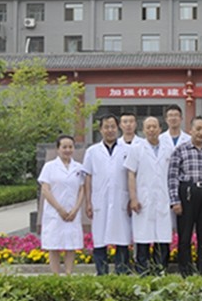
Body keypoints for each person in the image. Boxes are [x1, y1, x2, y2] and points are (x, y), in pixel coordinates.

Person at [83, 114, 132, 275]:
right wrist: (88, 202)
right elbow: (88, 177)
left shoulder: (127, 150)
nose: (110, 130)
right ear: (100, 129)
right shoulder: (92, 151)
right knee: (100, 238)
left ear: (118, 128)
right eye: (106, 127)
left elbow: (132, 176)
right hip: (99, 200)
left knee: (122, 237)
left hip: (121, 200)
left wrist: (132, 198)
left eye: (112, 127)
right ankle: (102, 272)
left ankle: (122, 272)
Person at [124, 117, 174, 275]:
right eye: (148, 127)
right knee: (143, 237)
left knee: (162, 238)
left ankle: (160, 271)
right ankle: (143, 272)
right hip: (143, 199)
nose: (151, 130)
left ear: (160, 129)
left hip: (163, 198)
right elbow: (131, 174)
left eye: (154, 127)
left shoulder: (168, 148)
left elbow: (173, 174)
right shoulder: (136, 149)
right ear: (143, 130)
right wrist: (133, 198)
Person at [168, 116, 202, 276]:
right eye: (198, 129)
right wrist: (175, 201)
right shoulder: (180, 150)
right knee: (185, 235)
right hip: (187, 193)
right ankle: (186, 271)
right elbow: (172, 177)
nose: (201, 133)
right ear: (191, 130)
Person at [38, 135, 85, 275]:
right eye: (64, 147)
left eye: (70, 147)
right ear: (58, 149)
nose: (67, 150)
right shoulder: (49, 167)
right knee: (54, 244)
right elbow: (45, 190)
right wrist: (59, 209)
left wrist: (76, 209)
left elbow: (82, 189)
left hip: (72, 212)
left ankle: (69, 273)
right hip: (55, 212)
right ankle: (55, 276)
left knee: (71, 245)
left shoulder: (79, 167)